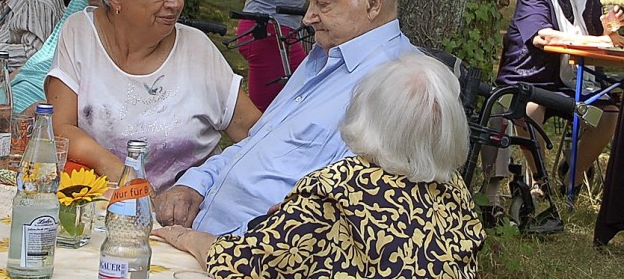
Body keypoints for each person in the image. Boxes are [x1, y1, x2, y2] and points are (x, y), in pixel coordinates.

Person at [154, 0, 416, 236]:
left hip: (247, 255)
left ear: (372, 2)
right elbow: (255, 144)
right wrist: (193, 185)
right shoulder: (325, 54)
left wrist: (213, 248)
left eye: (323, 3)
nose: (308, 18)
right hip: (205, 233)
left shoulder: (398, 86)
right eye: (309, 2)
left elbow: (329, 220)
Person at [153, 53, 486, 277]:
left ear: (367, 114)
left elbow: (246, 264)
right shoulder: (456, 191)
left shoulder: (337, 184)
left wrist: (186, 238)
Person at [46, 0, 261, 191]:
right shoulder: (80, 32)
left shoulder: (196, 49)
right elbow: (60, 128)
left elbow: (254, 134)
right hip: (99, 203)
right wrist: (126, 179)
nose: (174, 2)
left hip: (186, 215)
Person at [486, 0, 624, 203]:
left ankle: (569, 181)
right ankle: (540, 182)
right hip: (529, 78)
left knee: (608, 115)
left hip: (570, 84)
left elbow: (605, 36)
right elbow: (542, 38)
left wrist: (611, 29)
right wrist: (599, 41)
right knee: (529, 110)